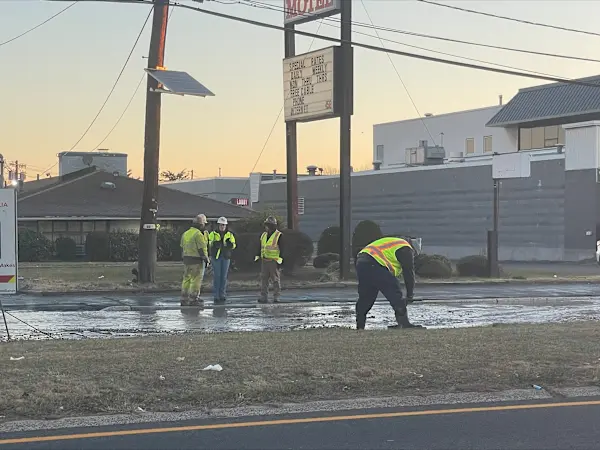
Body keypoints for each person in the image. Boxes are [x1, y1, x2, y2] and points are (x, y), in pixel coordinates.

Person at [355, 236, 426, 330]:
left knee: (366, 297)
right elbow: (408, 273)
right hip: (376, 263)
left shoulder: (395, 243)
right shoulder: (406, 248)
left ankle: (360, 326)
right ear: (413, 250)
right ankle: (404, 324)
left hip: (362, 262)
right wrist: (410, 295)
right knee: (395, 292)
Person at [180, 214, 209, 308]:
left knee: (186, 279)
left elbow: (182, 246)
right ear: (201, 224)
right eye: (204, 224)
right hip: (197, 260)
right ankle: (193, 298)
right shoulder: (198, 234)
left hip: (186, 259)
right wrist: (206, 259)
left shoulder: (186, 233)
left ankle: (184, 298)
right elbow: (201, 249)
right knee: (196, 280)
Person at [254, 216, 284, 304]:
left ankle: (276, 296)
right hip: (265, 260)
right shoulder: (263, 235)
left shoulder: (279, 235)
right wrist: (257, 255)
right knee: (264, 279)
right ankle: (264, 296)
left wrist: (280, 259)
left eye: (267, 225)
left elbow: (283, 248)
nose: (266, 227)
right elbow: (260, 246)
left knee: (275, 279)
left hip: (274, 261)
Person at [208, 216, 236, 305]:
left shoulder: (230, 234)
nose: (222, 227)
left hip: (225, 257)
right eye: (221, 225)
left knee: (223, 277)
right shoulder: (213, 233)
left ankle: (222, 295)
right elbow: (209, 242)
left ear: (226, 226)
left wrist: (230, 244)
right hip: (216, 257)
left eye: (224, 225)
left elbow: (234, 245)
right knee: (217, 276)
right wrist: (214, 244)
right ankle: (216, 295)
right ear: (218, 225)